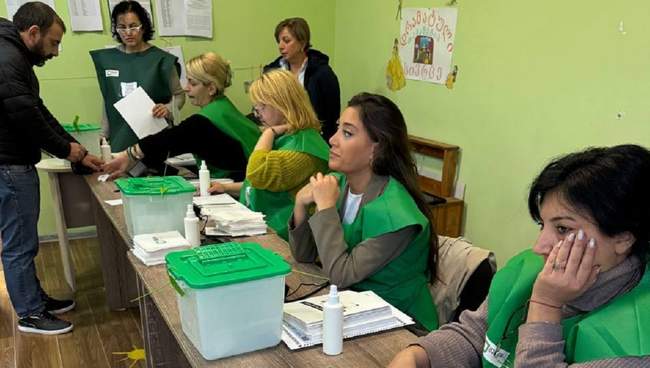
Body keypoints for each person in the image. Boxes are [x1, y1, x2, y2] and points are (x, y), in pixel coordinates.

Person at [389, 144, 650, 367]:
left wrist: (545, 306)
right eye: (542, 225)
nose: (540, 246)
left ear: (623, 238)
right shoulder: (531, 268)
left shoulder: (639, 338)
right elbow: (475, 335)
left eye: (563, 229)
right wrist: (417, 355)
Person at [288, 93, 440, 331]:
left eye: (347, 133)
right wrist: (300, 204)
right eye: (337, 129)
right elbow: (304, 256)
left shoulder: (396, 214)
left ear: (376, 149)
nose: (332, 140)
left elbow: (341, 274)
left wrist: (325, 209)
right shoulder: (339, 185)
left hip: (400, 322)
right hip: (354, 307)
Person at [0, 2, 102, 335]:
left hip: (13, 163)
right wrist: (68, 151)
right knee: (19, 244)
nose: (56, 51)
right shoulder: (9, 59)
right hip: (8, 165)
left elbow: (39, 110)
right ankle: (30, 313)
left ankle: (35, 299)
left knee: (24, 241)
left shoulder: (14, 56)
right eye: (54, 43)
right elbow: (27, 117)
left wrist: (76, 148)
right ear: (33, 33)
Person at [209, 69, 330, 240]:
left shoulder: (302, 149)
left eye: (261, 107)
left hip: (286, 239)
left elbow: (258, 173)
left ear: (281, 103)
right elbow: (264, 186)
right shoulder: (288, 136)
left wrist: (268, 133)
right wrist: (227, 187)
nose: (258, 115)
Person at [101, 52, 260, 181]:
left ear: (211, 88)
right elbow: (167, 145)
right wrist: (132, 170)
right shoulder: (224, 108)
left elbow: (169, 140)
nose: (186, 88)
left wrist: (128, 156)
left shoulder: (203, 122)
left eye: (193, 83)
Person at [90, 0, 185, 152]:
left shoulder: (162, 60)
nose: (128, 32)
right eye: (122, 27)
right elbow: (108, 100)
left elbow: (179, 95)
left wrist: (168, 109)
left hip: (155, 140)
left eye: (133, 26)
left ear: (144, 26)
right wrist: (103, 135)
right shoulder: (108, 60)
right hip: (120, 140)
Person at [264, 17, 340, 141]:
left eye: (286, 41)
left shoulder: (323, 73)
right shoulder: (272, 71)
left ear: (302, 43)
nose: (280, 46)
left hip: (313, 138)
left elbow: (331, 117)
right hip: (280, 135)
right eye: (279, 41)